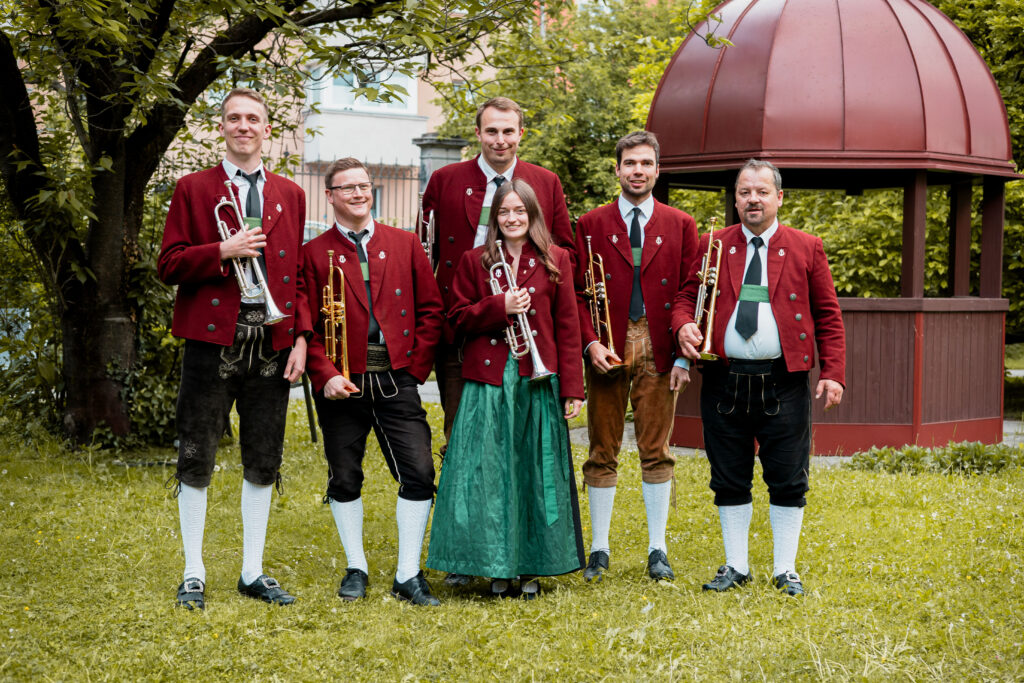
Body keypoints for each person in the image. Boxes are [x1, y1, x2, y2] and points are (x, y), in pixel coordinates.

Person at [158, 87, 310, 609]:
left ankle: (252, 570)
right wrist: (223, 249)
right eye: (233, 118)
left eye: (253, 119)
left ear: (268, 130)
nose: (243, 126)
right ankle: (194, 570)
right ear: (221, 127)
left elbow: (298, 276)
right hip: (211, 341)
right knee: (196, 453)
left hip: (271, 340)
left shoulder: (290, 192)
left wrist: (301, 339)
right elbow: (169, 264)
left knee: (263, 457)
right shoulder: (193, 188)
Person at [673, 159, 846, 596]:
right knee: (728, 474)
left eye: (762, 192)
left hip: (784, 380)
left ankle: (785, 569)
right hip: (723, 379)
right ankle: (736, 565)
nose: (753, 199)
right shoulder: (712, 242)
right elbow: (686, 296)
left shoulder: (807, 246)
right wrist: (682, 326)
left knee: (788, 475)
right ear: (735, 198)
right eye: (745, 192)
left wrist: (834, 373)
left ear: (779, 197)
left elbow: (828, 315)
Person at [426, 178, 585, 599]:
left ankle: (531, 566)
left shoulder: (556, 260)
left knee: (535, 470)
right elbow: (456, 319)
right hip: (489, 382)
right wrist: (500, 307)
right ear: (494, 218)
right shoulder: (475, 260)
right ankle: (493, 564)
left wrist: (572, 388)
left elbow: (568, 328)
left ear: (533, 216)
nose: (512, 219)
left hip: (537, 379)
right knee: (488, 473)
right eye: (504, 212)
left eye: (520, 211)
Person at [302, 158, 444, 606]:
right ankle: (356, 567)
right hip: (341, 382)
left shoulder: (404, 243)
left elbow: (431, 310)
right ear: (330, 196)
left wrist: (414, 369)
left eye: (363, 186)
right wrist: (324, 375)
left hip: (396, 377)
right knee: (345, 476)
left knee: (419, 472)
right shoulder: (313, 252)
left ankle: (407, 574)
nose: (358, 194)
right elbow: (306, 325)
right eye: (347, 188)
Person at [573, 131, 699, 583]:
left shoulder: (681, 224)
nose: (638, 171)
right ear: (617, 169)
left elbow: (691, 290)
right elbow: (579, 295)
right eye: (630, 163)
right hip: (609, 343)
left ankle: (657, 549)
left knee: (656, 447)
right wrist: (590, 344)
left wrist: (685, 357)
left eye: (646, 163)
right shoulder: (589, 223)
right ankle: (600, 548)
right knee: (601, 447)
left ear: (657, 170)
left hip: (660, 343)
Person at [421, 96, 575, 450]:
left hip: (528, 323)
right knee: (460, 430)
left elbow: (565, 252)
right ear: (478, 133)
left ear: (521, 134)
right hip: (460, 321)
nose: (500, 140)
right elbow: (426, 251)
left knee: (522, 437)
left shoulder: (545, 181)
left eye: (508, 131)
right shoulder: (445, 179)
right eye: (491, 131)